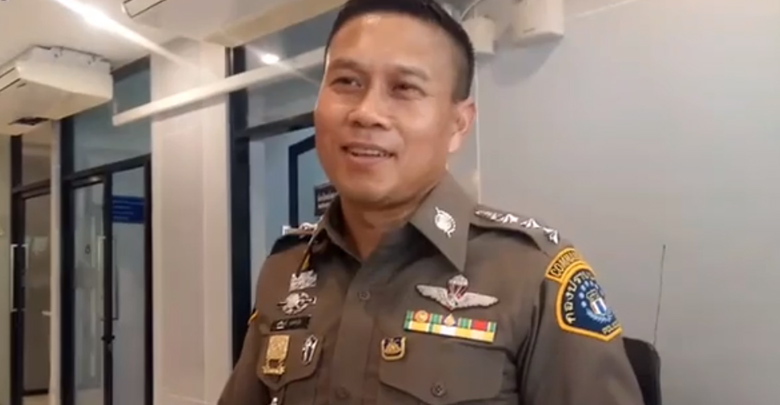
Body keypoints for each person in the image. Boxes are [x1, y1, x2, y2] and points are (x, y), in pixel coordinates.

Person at [219, 0, 645, 404]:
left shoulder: (535, 278)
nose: (366, 112)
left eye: (404, 87)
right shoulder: (286, 269)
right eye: (347, 82)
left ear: (458, 124)